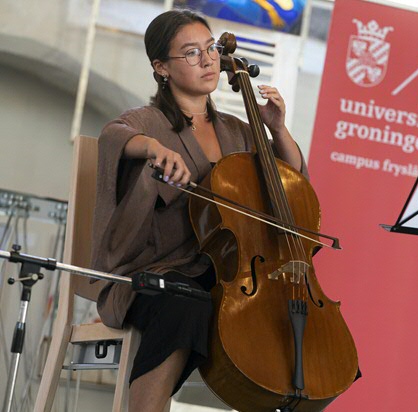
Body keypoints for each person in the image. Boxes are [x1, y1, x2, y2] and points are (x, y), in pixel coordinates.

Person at [90, 9, 308, 412]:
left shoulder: (238, 130)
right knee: (185, 303)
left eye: (210, 49)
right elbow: (113, 136)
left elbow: (290, 186)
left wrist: (277, 130)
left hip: (223, 273)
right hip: (156, 270)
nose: (208, 60)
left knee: (286, 321)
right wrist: (153, 148)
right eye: (191, 53)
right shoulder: (148, 121)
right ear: (161, 68)